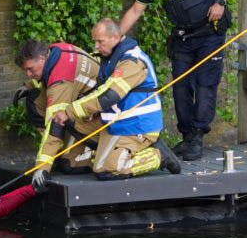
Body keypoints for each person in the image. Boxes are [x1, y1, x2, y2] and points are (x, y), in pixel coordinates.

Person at [118, 0, 236, 161]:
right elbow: (136, 10)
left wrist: (220, 1)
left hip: (209, 35)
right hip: (183, 38)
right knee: (180, 87)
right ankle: (187, 136)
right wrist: (116, 39)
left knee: (205, 85)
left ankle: (198, 137)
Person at [52, 19, 183, 181]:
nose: (96, 46)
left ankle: (157, 156)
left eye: (100, 41)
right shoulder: (110, 58)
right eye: (95, 42)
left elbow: (110, 95)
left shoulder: (132, 61)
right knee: (74, 128)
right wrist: (91, 111)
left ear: (115, 36)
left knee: (106, 170)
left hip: (136, 126)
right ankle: (109, 152)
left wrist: (69, 111)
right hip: (116, 122)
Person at [15, 39, 102, 178]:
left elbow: (56, 123)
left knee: (69, 165)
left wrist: (42, 168)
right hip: (85, 106)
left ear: (42, 58)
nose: (29, 74)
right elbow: (51, 73)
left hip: (97, 119)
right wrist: (29, 86)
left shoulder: (61, 81)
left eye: (30, 69)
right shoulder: (55, 50)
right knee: (35, 99)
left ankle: (97, 153)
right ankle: (59, 150)